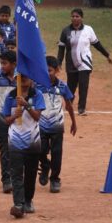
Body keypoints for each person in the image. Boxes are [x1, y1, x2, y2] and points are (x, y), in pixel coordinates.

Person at [2, 74, 45, 219]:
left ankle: (28, 200)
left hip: (33, 140)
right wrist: (15, 116)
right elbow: (6, 120)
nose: (24, 80)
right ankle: (18, 204)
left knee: (31, 173)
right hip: (15, 140)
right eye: (21, 78)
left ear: (32, 79)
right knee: (16, 173)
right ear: (16, 79)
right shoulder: (10, 97)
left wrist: (26, 105)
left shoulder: (37, 94)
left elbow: (37, 117)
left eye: (27, 77)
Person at [57, 8, 112, 116]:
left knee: (83, 86)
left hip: (85, 63)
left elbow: (97, 44)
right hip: (71, 63)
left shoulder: (88, 30)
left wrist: (107, 55)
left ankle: (81, 108)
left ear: (82, 18)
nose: (75, 18)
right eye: (73, 16)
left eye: (77, 16)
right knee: (71, 86)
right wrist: (58, 63)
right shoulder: (65, 31)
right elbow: (61, 49)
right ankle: (69, 104)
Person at [38, 56, 77, 193]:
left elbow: (69, 105)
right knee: (39, 150)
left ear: (57, 71)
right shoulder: (37, 85)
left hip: (57, 125)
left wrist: (73, 122)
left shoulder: (62, 86)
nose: (47, 73)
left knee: (57, 153)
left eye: (49, 70)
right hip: (40, 124)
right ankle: (45, 165)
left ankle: (55, 179)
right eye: (44, 71)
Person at [0, 50, 17, 193]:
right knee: (5, 149)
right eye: (1, 63)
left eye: (5, 63)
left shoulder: (21, 78)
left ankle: (17, 177)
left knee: (18, 149)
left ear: (14, 64)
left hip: (18, 119)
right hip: (1, 118)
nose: (2, 66)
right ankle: (6, 180)